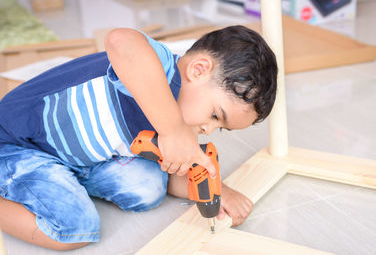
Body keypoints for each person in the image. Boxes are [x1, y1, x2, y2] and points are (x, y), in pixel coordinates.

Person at [0, 25, 277, 251]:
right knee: (73, 228)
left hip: (78, 158)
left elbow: (176, 170)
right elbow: (121, 40)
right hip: (18, 145)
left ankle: (64, 180)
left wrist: (218, 192)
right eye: (216, 115)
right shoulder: (159, 68)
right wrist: (171, 130)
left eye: (220, 127)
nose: (208, 129)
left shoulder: (182, 122)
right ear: (198, 69)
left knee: (149, 187)